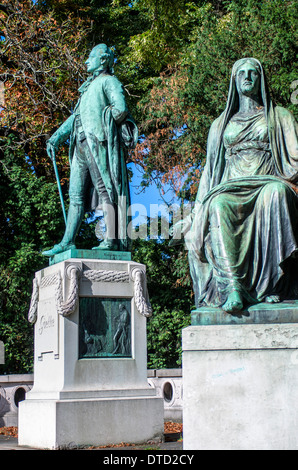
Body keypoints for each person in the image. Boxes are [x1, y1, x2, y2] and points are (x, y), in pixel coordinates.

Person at [173, 58, 298, 313]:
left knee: (276, 194)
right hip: (229, 189)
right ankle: (233, 289)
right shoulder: (220, 125)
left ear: (261, 79)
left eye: (253, 72)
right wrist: (194, 215)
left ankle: (272, 284)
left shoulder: (280, 116)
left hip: (268, 182)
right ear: (234, 80)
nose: (248, 77)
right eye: (242, 73)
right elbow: (209, 174)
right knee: (217, 205)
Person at [43, 44, 138, 257]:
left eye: (91, 56)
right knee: (75, 195)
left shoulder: (109, 82)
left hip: (98, 142)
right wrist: (56, 137)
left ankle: (111, 239)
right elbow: (75, 117)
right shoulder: (87, 88)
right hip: (80, 144)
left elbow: (120, 109)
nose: (86, 61)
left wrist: (104, 124)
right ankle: (67, 241)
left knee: (105, 190)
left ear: (103, 60)